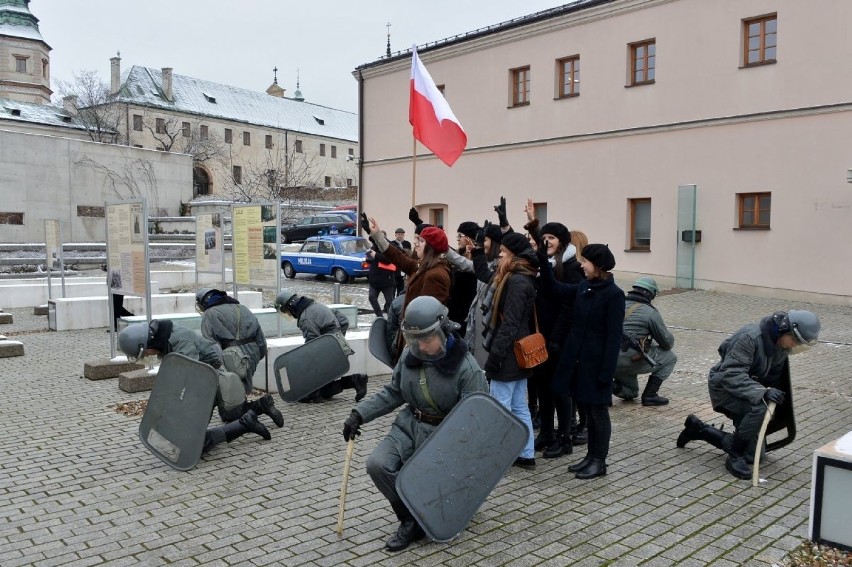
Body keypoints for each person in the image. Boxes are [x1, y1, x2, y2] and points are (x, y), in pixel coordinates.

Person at [341, 296, 488, 552]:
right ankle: (410, 519)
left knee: (423, 479)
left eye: (426, 339)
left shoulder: (468, 370)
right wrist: (359, 413)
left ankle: (431, 512)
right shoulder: (411, 354)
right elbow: (393, 392)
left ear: (443, 332)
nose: (420, 346)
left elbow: (476, 421)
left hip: (445, 435)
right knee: (377, 464)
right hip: (409, 427)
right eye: (414, 339)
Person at [676, 310, 820, 480]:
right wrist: (762, 393)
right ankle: (734, 455)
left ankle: (698, 430)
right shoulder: (750, 338)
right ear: (784, 330)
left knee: (754, 456)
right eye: (795, 340)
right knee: (760, 407)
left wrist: (773, 398)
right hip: (724, 388)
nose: (794, 346)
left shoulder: (780, 346)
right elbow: (730, 374)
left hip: (746, 390)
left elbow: (773, 377)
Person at [118, 320, 272, 453]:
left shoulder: (181, 343)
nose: (146, 356)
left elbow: (191, 377)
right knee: (193, 434)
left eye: (144, 353)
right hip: (203, 377)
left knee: (194, 444)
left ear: (148, 343)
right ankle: (258, 408)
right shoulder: (162, 337)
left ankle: (245, 424)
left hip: (208, 380)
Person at [539, 244, 624, 479]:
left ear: (598, 266)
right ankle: (589, 457)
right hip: (576, 361)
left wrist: (606, 374)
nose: (580, 265)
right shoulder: (584, 286)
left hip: (596, 365)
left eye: (585, 261)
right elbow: (555, 288)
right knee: (586, 409)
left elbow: (614, 338)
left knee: (598, 413)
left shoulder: (614, 295)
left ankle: (599, 460)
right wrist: (542, 260)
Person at [524, 209, 584, 459]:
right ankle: (547, 432)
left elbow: (569, 309)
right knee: (542, 387)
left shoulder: (571, 267)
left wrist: (557, 339)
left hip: (558, 340)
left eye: (552, 238)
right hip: (540, 338)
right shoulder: (545, 265)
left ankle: (565, 437)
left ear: (562, 242)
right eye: (544, 237)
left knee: (560, 390)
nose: (547, 242)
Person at [480, 232, 540, 469]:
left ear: (514, 254)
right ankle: (525, 453)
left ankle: (501, 455)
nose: (500, 254)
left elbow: (511, 323)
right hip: (517, 352)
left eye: (504, 251)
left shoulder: (517, 281)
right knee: (518, 406)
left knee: (500, 408)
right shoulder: (520, 277)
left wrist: (495, 356)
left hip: (509, 354)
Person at [361, 213, 451, 361]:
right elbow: (398, 257)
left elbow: (428, 319)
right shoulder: (422, 266)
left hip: (420, 346)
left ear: (431, 247)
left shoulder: (436, 274)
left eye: (421, 241)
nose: (416, 244)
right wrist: (377, 235)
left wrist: (415, 350)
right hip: (412, 340)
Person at [195, 288, 282, 426]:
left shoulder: (209, 314)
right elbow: (260, 339)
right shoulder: (243, 308)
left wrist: (218, 368)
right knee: (238, 391)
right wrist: (255, 356)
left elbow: (212, 346)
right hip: (252, 353)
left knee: (229, 401)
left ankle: (261, 405)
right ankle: (252, 409)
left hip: (230, 356)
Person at [274, 290, 368, 402]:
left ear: (291, 307)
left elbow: (312, 347)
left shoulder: (305, 318)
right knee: (325, 386)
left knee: (324, 391)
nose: (289, 314)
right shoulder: (316, 306)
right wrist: (336, 340)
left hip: (329, 356)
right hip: (339, 350)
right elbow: (343, 321)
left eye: (287, 311)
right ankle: (356, 380)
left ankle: (317, 392)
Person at [613, 277, 677, 406]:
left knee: (630, 393)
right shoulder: (650, 313)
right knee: (670, 357)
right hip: (629, 360)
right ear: (651, 294)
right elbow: (667, 343)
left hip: (607, 360)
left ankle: (605, 385)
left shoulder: (616, 305)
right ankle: (650, 395)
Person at [365, 236, 398, 318]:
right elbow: (370, 260)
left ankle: (392, 320)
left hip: (387, 281)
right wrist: (368, 257)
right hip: (374, 281)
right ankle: (380, 316)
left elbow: (388, 260)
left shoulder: (389, 247)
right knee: (372, 298)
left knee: (390, 302)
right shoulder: (374, 246)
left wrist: (375, 255)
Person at [390, 227, 412, 296]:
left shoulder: (407, 243)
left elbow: (409, 254)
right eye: (398, 234)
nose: (400, 236)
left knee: (401, 289)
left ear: (404, 235)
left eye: (401, 234)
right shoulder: (392, 243)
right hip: (394, 269)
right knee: (392, 290)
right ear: (395, 235)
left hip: (403, 269)